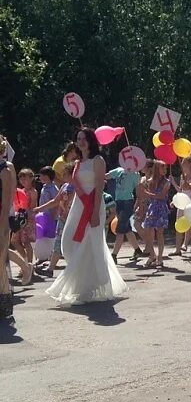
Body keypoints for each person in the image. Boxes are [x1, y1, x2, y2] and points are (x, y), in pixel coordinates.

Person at [47, 128, 127, 305]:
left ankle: (86, 287)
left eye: (84, 138)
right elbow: (74, 186)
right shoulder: (78, 162)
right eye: (78, 139)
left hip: (93, 206)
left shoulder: (98, 160)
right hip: (78, 205)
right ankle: (82, 280)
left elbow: (99, 187)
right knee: (68, 242)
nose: (81, 141)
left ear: (91, 141)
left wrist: (95, 211)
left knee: (91, 244)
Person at [33, 163, 75, 278]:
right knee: (58, 242)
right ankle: (50, 269)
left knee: (73, 243)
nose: (62, 175)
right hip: (62, 219)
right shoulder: (64, 186)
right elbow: (55, 201)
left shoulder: (78, 187)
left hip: (74, 219)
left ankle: (75, 267)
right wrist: (39, 208)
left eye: (66, 173)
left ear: (73, 174)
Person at [106, 164, 144, 263]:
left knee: (120, 229)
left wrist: (139, 204)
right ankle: (137, 250)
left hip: (127, 202)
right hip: (118, 201)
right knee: (127, 228)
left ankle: (114, 255)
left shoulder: (135, 174)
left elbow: (138, 190)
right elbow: (107, 176)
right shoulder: (119, 170)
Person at [141, 159, 170, 268]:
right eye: (163, 167)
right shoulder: (149, 181)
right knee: (147, 232)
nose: (165, 170)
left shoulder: (166, 182)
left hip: (161, 208)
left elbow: (161, 196)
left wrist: (147, 193)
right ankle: (152, 255)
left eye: (166, 168)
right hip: (151, 207)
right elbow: (143, 196)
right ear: (157, 169)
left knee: (160, 233)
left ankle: (160, 257)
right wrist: (141, 205)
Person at [0, 134, 17, 316]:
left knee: (0, 262)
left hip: (1, 218)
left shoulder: (4, 170)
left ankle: (3, 302)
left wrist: (3, 227)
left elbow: (6, 202)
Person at [169, 155, 191, 256]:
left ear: (189, 164)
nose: (181, 164)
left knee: (189, 225)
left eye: (183, 162)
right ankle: (177, 249)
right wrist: (173, 183)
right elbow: (181, 190)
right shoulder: (182, 175)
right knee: (178, 225)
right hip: (182, 204)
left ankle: (185, 244)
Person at [13, 168, 38, 264]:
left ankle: (29, 265)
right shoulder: (21, 191)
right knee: (14, 241)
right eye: (21, 178)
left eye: (25, 178)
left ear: (31, 178)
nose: (22, 180)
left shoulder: (33, 191)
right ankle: (25, 261)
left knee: (26, 242)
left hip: (28, 219)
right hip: (20, 217)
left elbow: (32, 206)